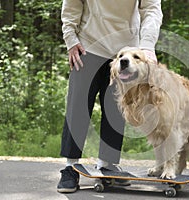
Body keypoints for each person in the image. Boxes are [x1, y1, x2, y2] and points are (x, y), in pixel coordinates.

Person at [57, 0, 163, 193]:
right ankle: (70, 167)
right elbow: (72, 4)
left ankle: (107, 164)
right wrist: (71, 39)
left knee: (117, 108)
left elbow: (151, 8)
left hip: (125, 48)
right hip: (88, 45)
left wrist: (147, 45)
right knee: (78, 104)